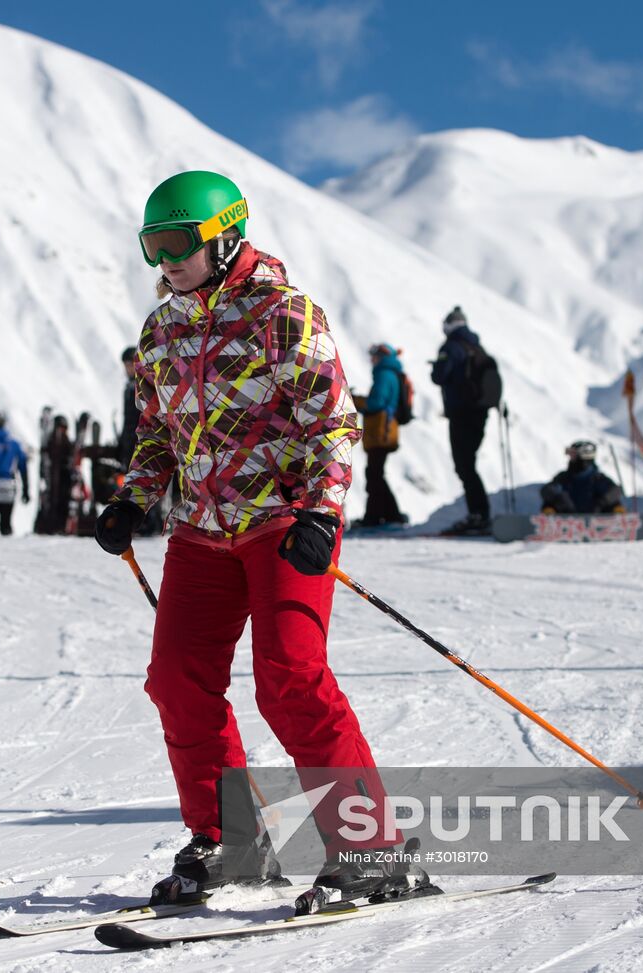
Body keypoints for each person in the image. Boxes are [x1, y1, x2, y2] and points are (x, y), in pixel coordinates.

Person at [94, 170, 422, 913]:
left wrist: (322, 511)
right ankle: (233, 839)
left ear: (225, 234)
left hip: (282, 521)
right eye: (152, 245)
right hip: (201, 532)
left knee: (290, 674)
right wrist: (130, 500)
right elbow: (157, 437)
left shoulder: (284, 314)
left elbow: (333, 422)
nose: (163, 261)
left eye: (176, 243)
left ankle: (370, 848)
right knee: (177, 677)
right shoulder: (160, 330)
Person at [430, 306, 494, 535]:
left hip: (461, 413)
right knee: (469, 463)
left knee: (464, 465)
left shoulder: (451, 347)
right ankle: (479, 512)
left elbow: (439, 375)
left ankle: (479, 514)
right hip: (480, 413)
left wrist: (438, 365)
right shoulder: (476, 347)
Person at [352, 343, 409, 529]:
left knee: (374, 475)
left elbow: (376, 403)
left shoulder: (384, 374)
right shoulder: (390, 373)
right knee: (376, 474)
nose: (371, 360)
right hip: (385, 430)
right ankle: (391, 515)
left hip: (381, 431)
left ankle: (375, 518)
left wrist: (355, 401)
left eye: (374, 356)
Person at [540, 441, 624, 514]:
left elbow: (615, 491)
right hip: (565, 524)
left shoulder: (598, 479)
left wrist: (602, 502)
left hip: (597, 525)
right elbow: (548, 490)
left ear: (584, 457)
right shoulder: (563, 478)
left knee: (615, 506)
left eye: (573, 455)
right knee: (549, 506)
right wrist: (559, 499)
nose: (570, 459)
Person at [34, 414, 74, 535]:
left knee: (63, 503)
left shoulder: (68, 445)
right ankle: (49, 526)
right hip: (51, 482)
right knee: (49, 503)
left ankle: (62, 527)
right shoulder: (49, 444)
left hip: (64, 482)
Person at [117, 346, 139, 471]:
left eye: (130, 364)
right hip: (129, 446)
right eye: (126, 365)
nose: (128, 368)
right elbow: (127, 421)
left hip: (141, 446)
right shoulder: (128, 389)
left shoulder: (145, 386)